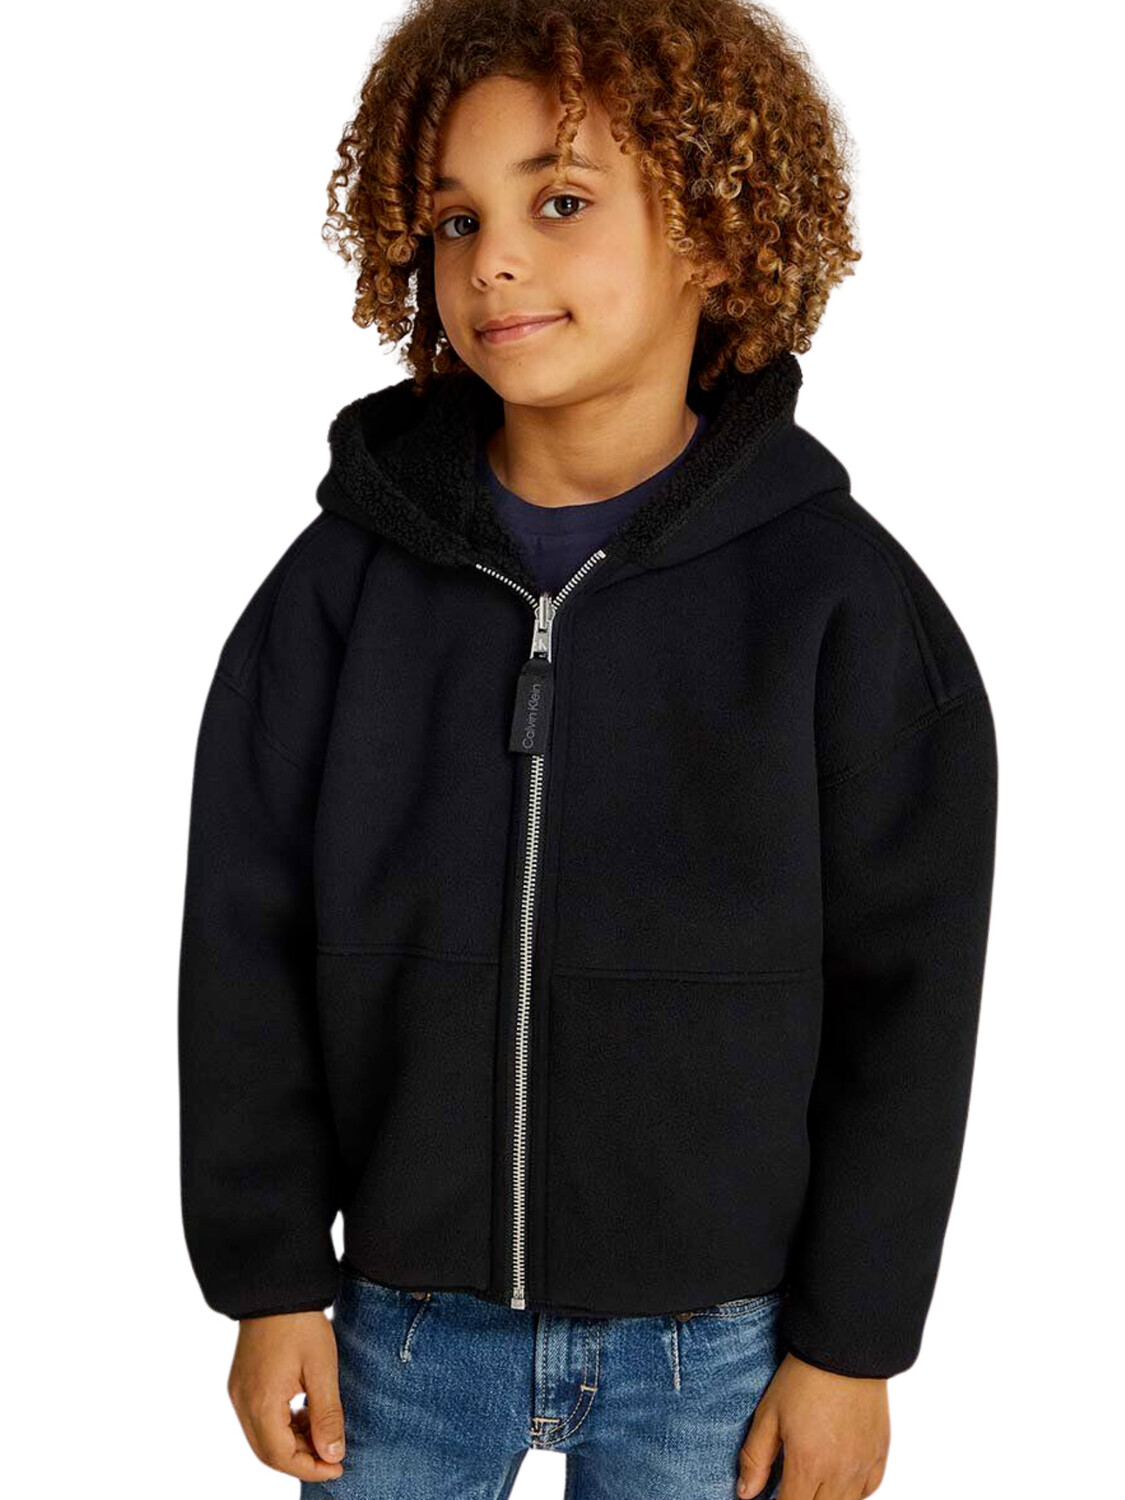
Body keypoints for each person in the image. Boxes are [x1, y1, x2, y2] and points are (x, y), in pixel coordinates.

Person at [177, 1, 998, 1496]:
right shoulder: (338, 591)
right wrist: (269, 1275)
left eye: (559, 202)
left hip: (720, 1349)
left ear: (715, 234)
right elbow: (243, 945)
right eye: (454, 219)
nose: (492, 259)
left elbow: (911, 1006)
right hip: (396, 1333)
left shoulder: (841, 607)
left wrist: (854, 1344)